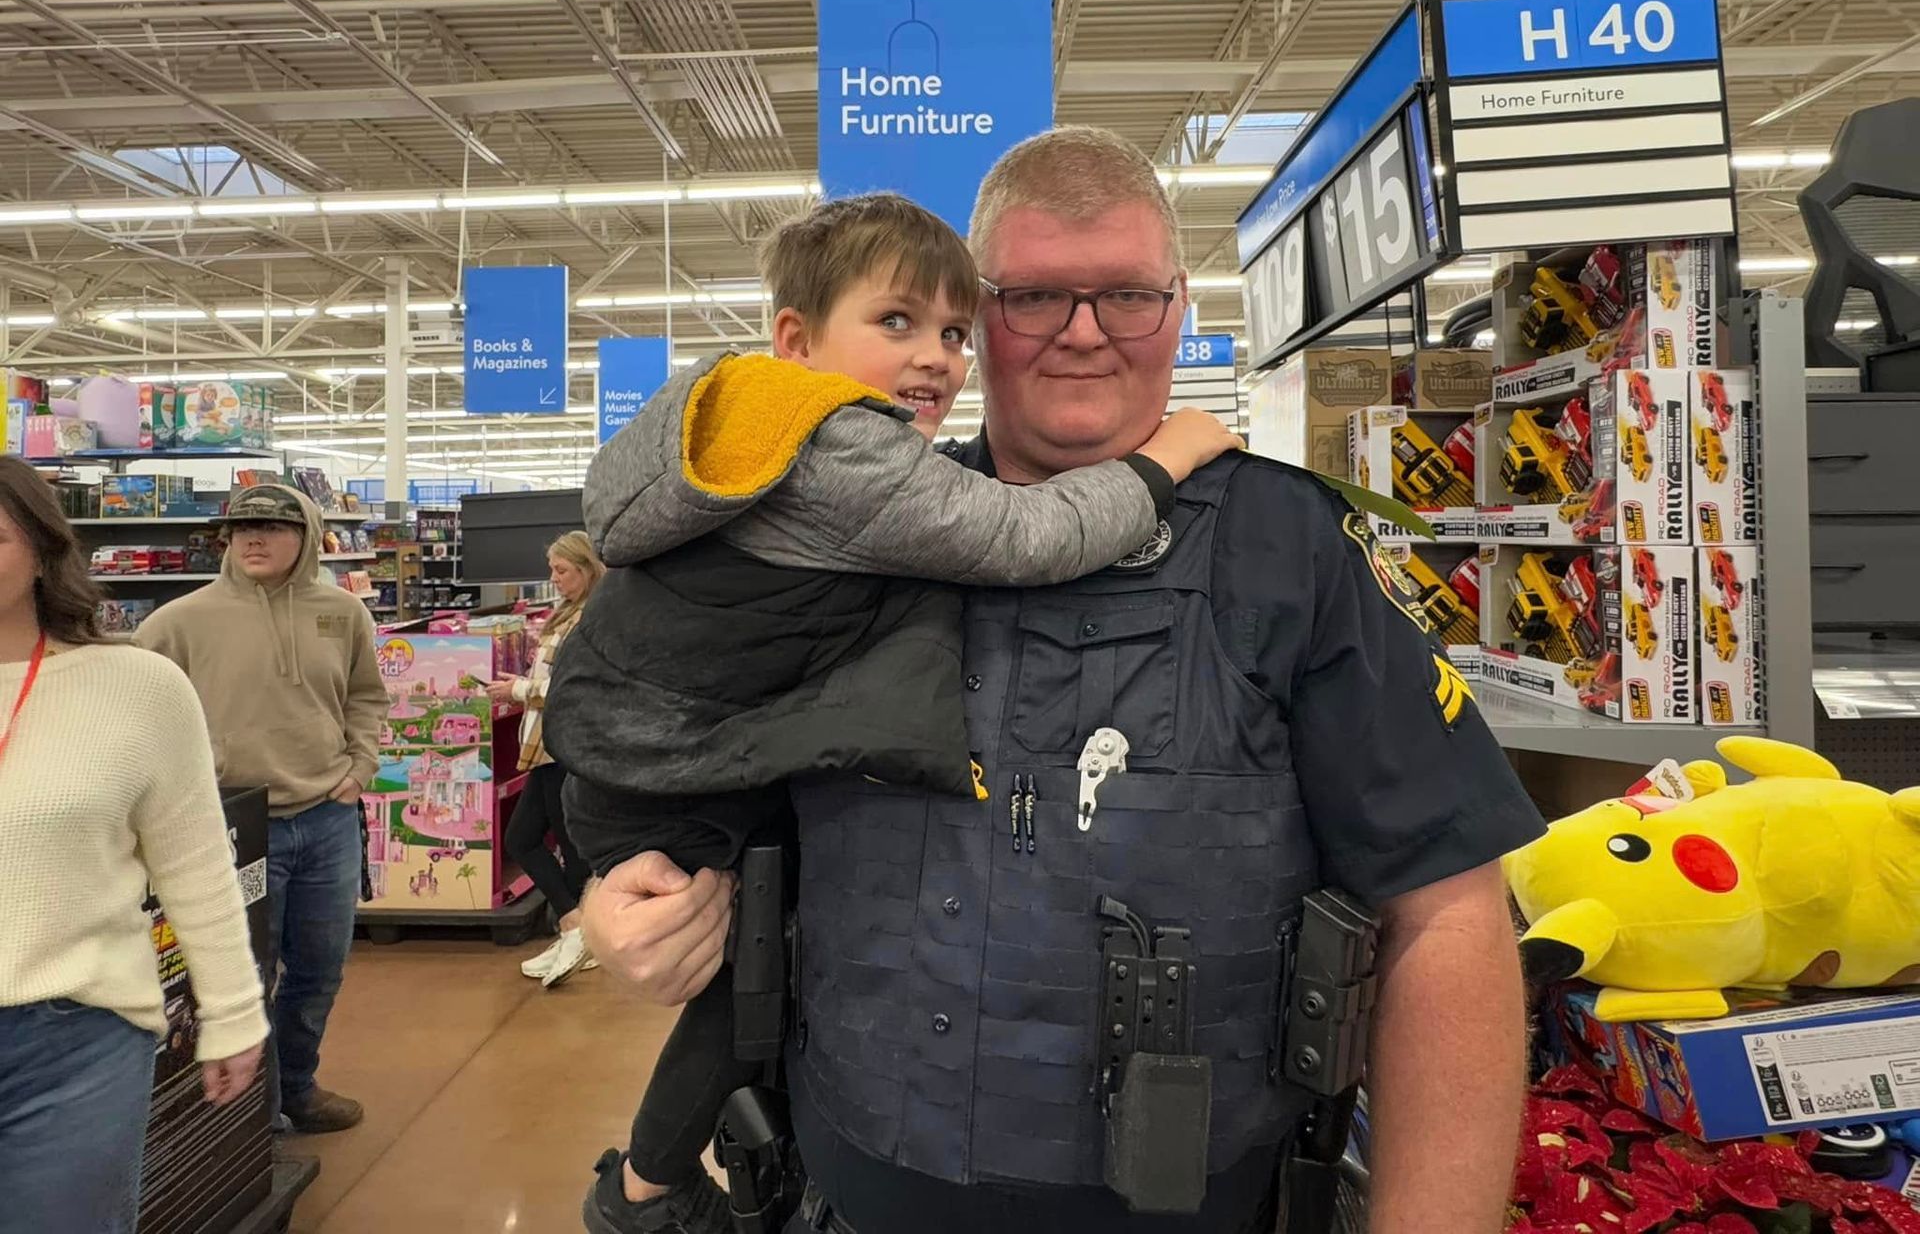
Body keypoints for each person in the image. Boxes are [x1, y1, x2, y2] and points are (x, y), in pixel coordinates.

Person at [583, 128, 1550, 1234]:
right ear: (977, 312)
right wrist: (623, 896)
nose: (1086, 335)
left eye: (1128, 294)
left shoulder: (1289, 549)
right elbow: (686, 747)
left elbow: (1448, 915)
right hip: (839, 1190)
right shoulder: (843, 536)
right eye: (1035, 295)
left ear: (1180, 307)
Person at [543, 190, 1240, 1234]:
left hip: (640, 760)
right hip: (674, 785)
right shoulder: (842, 451)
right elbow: (1025, 539)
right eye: (897, 322)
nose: (937, 358)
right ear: (796, 340)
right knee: (750, 979)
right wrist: (1171, 455)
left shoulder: (739, 437)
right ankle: (645, 1191)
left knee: (758, 970)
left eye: (956, 332)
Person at [0, 457, 268, 1232]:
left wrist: (234, 1011)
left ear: (46, 549)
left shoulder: (135, 688)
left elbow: (193, 865)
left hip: (73, 1042)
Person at [137, 481, 387, 1135]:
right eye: (242, 527)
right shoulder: (176, 622)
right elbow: (133, 715)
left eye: (273, 528)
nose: (254, 538)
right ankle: (248, 1120)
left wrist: (358, 767)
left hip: (327, 820)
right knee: (242, 979)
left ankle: (296, 1090)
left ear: (306, 536)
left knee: (319, 971)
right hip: (232, 830)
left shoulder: (343, 612)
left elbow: (367, 696)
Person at [491, 530, 603, 989]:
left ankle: (578, 932)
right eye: (552, 569)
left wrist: (517, 690)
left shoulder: (591, 622)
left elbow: (576, 690)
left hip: (565, 749)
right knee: (526, 838)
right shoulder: (566, 615)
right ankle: (577, 928)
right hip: (542, 749)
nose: (554, 579)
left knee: (566, 845)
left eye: (563, 570)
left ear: (587, 569)